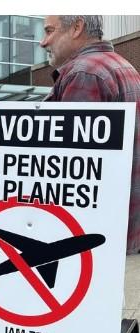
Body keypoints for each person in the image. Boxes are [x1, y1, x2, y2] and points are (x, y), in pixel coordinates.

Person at [40, 15, 140, 255]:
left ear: (77, 28)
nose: (43, 42)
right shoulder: (123, 66)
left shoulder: (83, 74)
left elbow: (71, 170)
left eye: (49, 31)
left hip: (90, 241)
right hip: (121, 232)